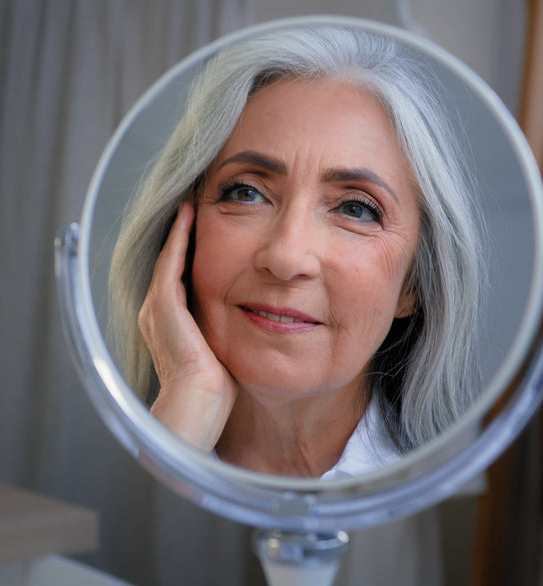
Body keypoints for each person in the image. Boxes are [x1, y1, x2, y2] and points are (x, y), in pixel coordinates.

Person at [109, 25, 484, 478]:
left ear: (414, 283)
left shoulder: (433, 500)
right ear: (181, 235)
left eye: (356, 209)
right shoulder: (111, 467)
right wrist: (189, 402)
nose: (286, 258)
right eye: (246, 193)